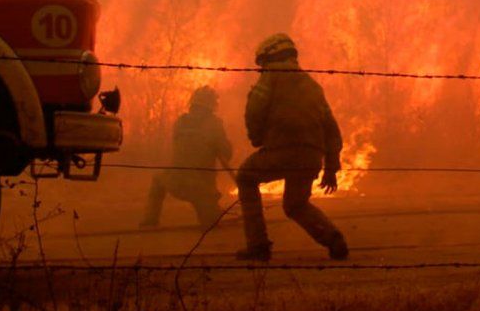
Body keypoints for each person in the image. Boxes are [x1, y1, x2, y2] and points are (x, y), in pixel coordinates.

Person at [234, 33, 348, 262]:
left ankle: (258, 246)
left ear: (270, 56)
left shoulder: (272, 75)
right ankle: (333, 239)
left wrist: (256, 138)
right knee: (296, 204)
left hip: (281, 151)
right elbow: (331, 129)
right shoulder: (312, 85)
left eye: (262, 63)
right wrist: (331, 167)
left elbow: (254, 109)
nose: (262, 68)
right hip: (311, 156)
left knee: (246, 177)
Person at [140, 86, 233, 229]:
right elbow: (226, 153)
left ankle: (149, 220)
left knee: (158, 179)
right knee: (212, 224)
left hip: (175, 182)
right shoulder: (214, 124)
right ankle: (211, 212)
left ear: (193, 103)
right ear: (212, 106)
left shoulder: (180, 122)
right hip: (201, 189)